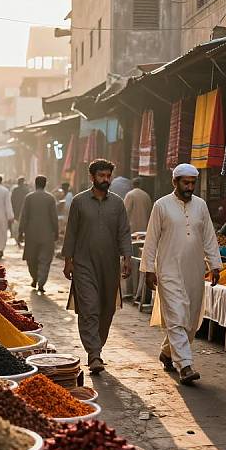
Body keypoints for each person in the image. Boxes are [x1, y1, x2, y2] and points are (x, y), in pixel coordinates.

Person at [140, 163, 222, 385]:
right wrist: (149, 270)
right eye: (186, 182)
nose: (190, 187)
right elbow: (151, 240)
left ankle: (167, 352)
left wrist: (215, 264)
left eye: (193, 183)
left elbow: (209, 237)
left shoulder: (201, 206)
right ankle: (185, 365)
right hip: (168, 271)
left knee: (191, 321)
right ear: (174, 182)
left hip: (194, 271)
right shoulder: (161, 206)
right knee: (176, 317)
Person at [62, 159, 132, 374]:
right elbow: (71, 231)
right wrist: (68, 260)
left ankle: (97, 346)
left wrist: (127, 258)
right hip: (83, 264)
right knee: (89, 308)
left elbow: (124, 232)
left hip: (109, 265)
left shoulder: (118, 203)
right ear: (91, 177)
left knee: (107, 309)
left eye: (108, 176)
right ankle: (94, 354)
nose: (105, 180)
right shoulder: (79, 201)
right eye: (101, 176)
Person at [19, 175, 58, 293]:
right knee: (45, 259)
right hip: (47, 234)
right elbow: (54, 217)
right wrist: (56, 231)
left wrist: (20, 231)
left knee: (31, 258)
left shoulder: (29, 197)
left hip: (31, 234)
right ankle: (41, 282)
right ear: (45, 184)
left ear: (35, 184)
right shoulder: (50, 198)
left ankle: (35, 278)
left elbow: (24, 216)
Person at [11, 177, 30, 246]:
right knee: (24, 225)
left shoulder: (15, 190)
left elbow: (12, 200)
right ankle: (22, 238)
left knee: (16, 226)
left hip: (16, 210)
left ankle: (18, 239)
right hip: (24, 211)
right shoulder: (27, 190)